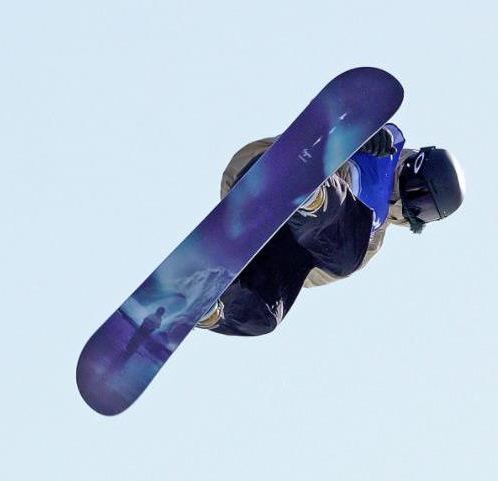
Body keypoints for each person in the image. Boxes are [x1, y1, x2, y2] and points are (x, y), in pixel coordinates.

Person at [194, 124, 465, 336]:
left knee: (266, 316)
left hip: (273, 238)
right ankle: (309, 197)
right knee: (350, 239)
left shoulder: (370, 240)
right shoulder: (376, 145)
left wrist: (263, 270)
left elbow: (308, 275)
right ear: (415, 163)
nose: (412, 200)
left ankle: (209, 305)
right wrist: (354, 136)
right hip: (262, 177)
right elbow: (319, 124)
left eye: (424, 209)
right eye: (418, 188)